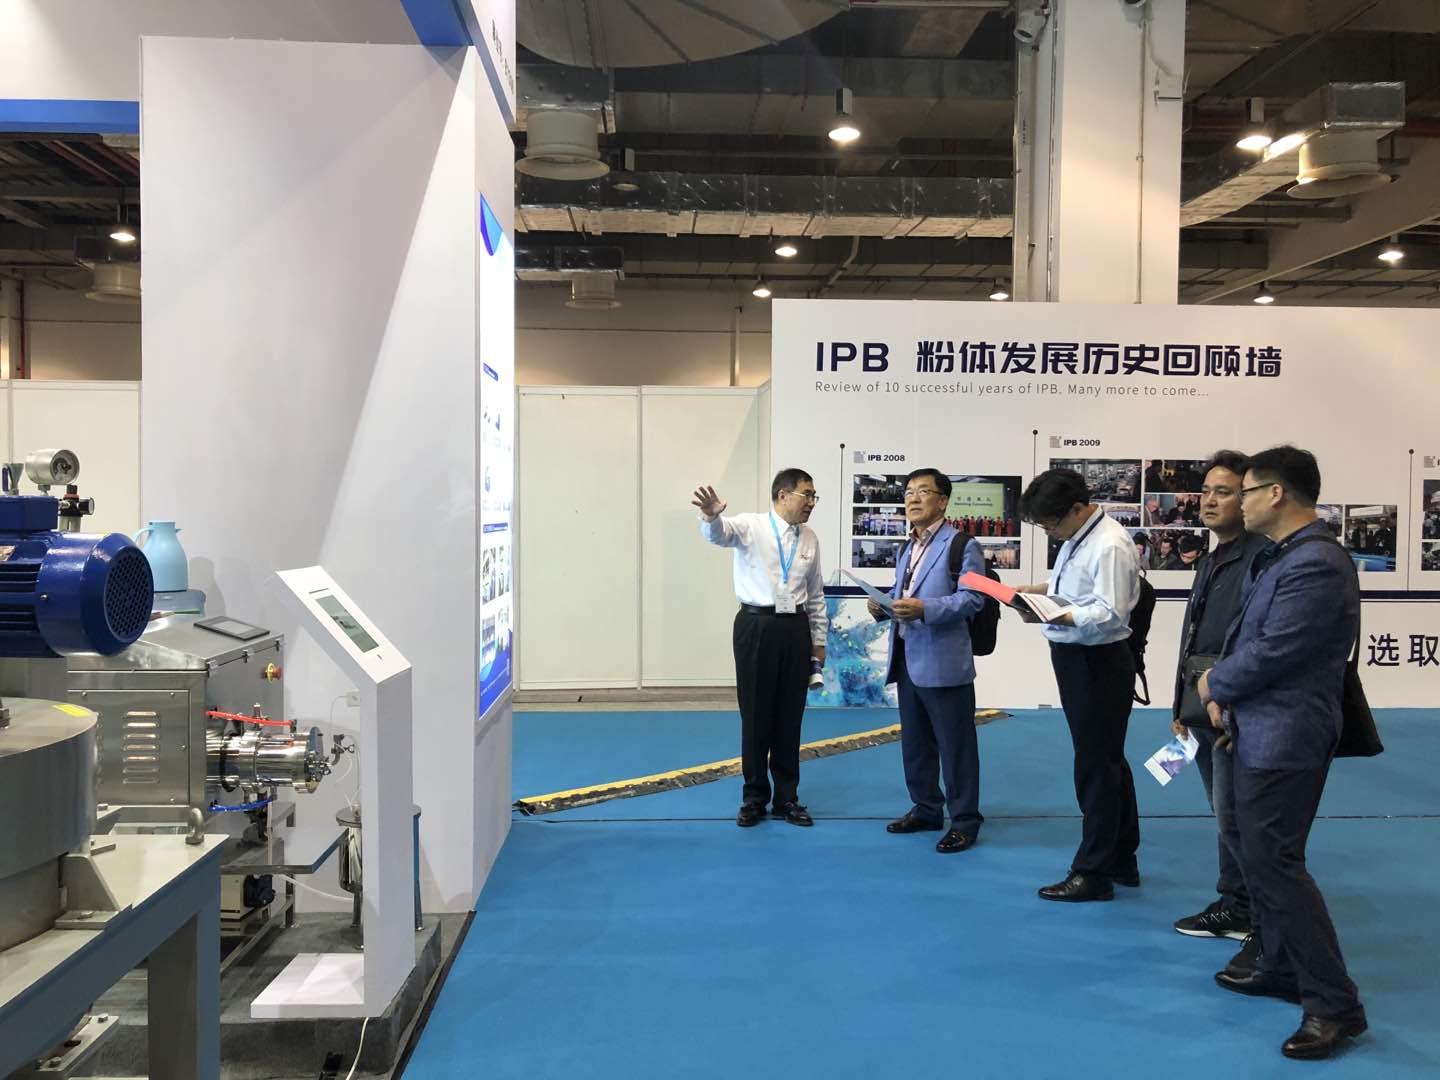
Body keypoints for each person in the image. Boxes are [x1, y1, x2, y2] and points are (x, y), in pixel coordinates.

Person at [1197, 446, 1366, 1060]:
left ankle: (1334, 1004)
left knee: (1277, 864)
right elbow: (1252, 638)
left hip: (1286, 736)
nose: (1235, 503)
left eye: (1243, 491)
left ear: (1276, 493)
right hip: (1257, 726)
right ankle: (1279, 965)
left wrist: (1215, 683)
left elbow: (1279, 649)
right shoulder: (1283, 555)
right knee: (1258, 855)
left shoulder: (1316, 562)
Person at [1017, 468, 1142, 902]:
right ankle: (1121, 858)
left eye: (1050, 523)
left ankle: (1093, 871)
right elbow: (1080, 591)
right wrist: (1040, 593)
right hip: (1079, 659)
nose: (1049, 532)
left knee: (1095, 767)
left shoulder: (1109, 544)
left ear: (1076, 508)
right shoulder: (1080, 535)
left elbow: (1109, 613)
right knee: (1106, 761)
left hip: (1097, 662)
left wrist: (1053, 612)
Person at [1169, 452, 1269, 944]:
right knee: (1223, 814)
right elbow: (1195, 638)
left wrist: (1226, 700)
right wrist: (1180, 706)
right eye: (1206, 491)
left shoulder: (1261, 559)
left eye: (1223, 492)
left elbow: (1255, 643)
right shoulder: (1211, 559)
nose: (1209, 500)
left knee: (1237, 817)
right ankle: (1236, 903)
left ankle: (1253, 912)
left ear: (1248, 499)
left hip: (1234, 707)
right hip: (1202, 705)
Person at [694, 469, 827, 829]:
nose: (812, 503)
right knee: (755, 714)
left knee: (790, 715)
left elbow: (815, 595)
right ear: (783, 495)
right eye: (806, 495)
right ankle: (754, 796)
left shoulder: (810, 538)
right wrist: (711, 516)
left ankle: (787, 798)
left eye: (814, 496)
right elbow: (718, 535)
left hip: (795, 628)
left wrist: (819, 643)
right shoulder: (750, 526)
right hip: (756, 626)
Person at [867, 469, 987, 854]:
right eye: (908, 492)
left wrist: (926, 609)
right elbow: (904, 591)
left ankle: (964, 820)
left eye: (923, 491)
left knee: (956, 745)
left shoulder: (962, 545)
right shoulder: (907, 546)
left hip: (944, 660)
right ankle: (926, 808)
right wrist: (883, 604)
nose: (913, 499)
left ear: (943, 501)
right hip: (907, 657)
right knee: (915, 742)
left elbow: (973, 599)